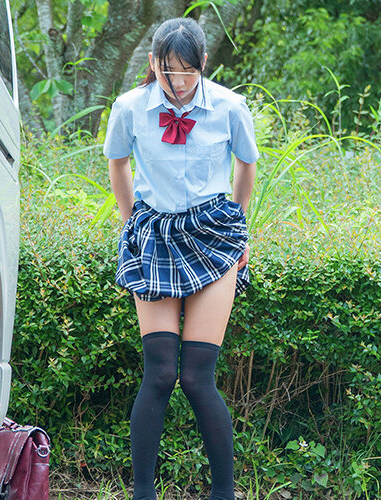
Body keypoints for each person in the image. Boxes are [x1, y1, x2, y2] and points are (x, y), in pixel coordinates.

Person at [103, 17, 258, 500]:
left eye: (188, 71)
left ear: (203, 63)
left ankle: (223, 493)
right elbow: (117, 162)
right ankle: (143, 494)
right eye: (169, 70)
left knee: (195, 376)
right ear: (153, 64)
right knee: (160, 372)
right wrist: (132, 221)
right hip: (155, 234)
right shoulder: (130, 108)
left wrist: (238, 226)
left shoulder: (230, 106)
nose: (179, 82)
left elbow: (247, 164)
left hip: (214, 235)